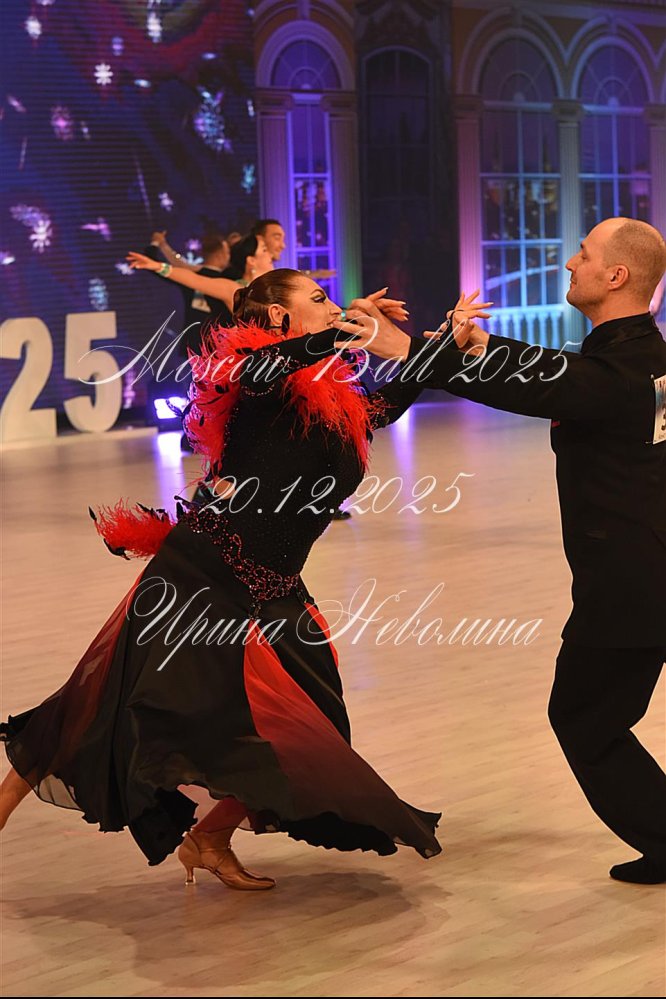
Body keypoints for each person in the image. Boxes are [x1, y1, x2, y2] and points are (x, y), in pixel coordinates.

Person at [0, 269, 442, 890]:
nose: (335, 306)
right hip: (206, 568)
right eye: (319, 299)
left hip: (275, 582)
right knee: (109, 702)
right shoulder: (253, 375)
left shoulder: (331, 394)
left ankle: (209, 839)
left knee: (314, 719)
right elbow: (261, 371)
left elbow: (382, 408)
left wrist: (442, 346)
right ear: (279, 317)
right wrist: (345, 333)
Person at [346, 217, 666, 885]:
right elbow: (564, 374)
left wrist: (412, 350)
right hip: (641, 575)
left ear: (616, 276)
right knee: (598, 714)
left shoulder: (619, 374)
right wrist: (480, 343)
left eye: (584, 254)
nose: (570, 262)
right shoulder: (641, 357)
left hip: (630, 584)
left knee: (584, 717)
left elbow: (549, 384)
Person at [129, 233, 275, 321]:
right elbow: (194, 279)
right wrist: (158, 266)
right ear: (251, 260)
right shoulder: (235, 290)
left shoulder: (275, 288)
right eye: (264, 250)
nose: (271, 255)